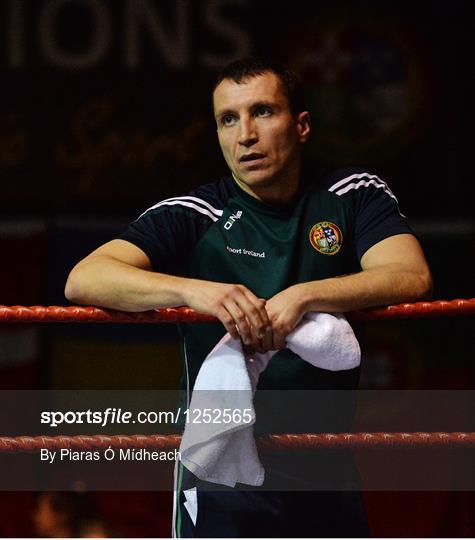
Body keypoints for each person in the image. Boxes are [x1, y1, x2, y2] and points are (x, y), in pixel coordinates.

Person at [65, 57, 432, 537]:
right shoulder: (197, 212)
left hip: (326, 463)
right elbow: (85, 277)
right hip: (222, 468)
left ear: (301, 125)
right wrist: (200, 293)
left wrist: (303, 295)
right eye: (228, 119)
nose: (245, 135)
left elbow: (411, 274)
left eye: (262, 112)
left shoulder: (352, 194)